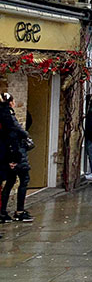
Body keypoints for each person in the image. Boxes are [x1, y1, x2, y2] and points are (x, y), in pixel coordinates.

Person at [0, 93, 33, 222]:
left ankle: (3, 212)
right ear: (11, 102)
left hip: (11, 153)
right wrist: (13, 158)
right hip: (16, 153)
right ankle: (19, 211)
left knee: (10, 181)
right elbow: (18, 132)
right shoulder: (9, 117)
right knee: (23, 179)